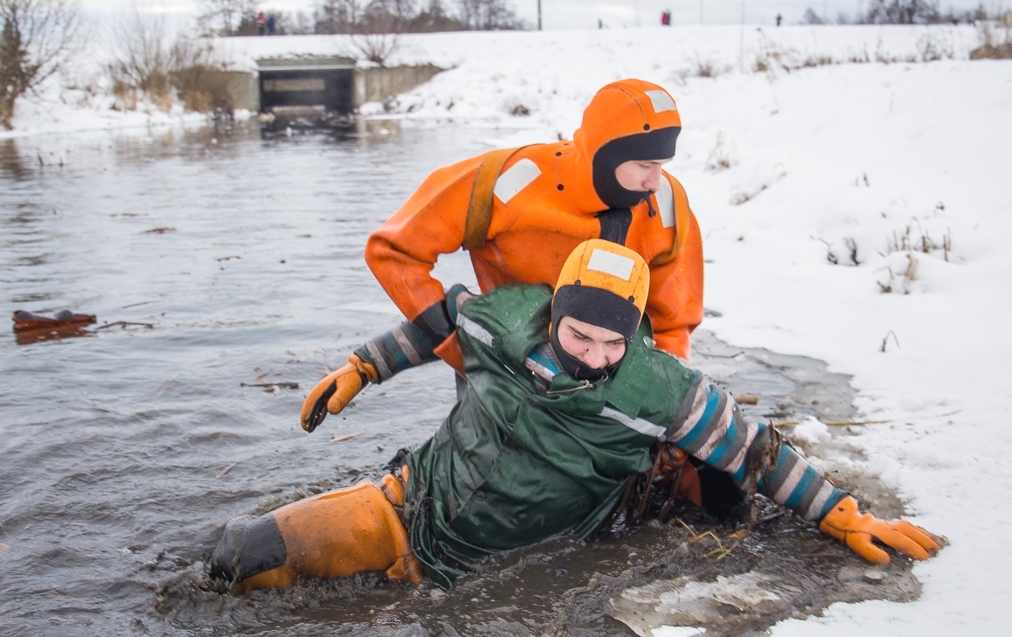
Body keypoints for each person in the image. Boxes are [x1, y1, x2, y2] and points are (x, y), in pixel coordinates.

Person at [211, 240, 941, 592]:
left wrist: (844, 514)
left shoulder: (661, 388)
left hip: (523, 544)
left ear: (634, 338)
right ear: (553, 311)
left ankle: (665, 481)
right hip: (411, 506)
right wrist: (363, 367)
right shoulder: (504, 317)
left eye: (610, 343)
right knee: (242, 559)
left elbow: (760, 452)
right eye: (577, 335)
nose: (592, 354)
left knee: (723, 486)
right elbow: (438, 318)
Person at [299, 79, 704, 433]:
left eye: (663, 164)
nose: (656, 180)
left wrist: (660, 408)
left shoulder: (666, 206)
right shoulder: (502, 183)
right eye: (645, 164)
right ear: (605, 152)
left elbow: (673, 323)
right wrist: (457, 349)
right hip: (501, 365)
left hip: (608, 372)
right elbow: (393, 250)